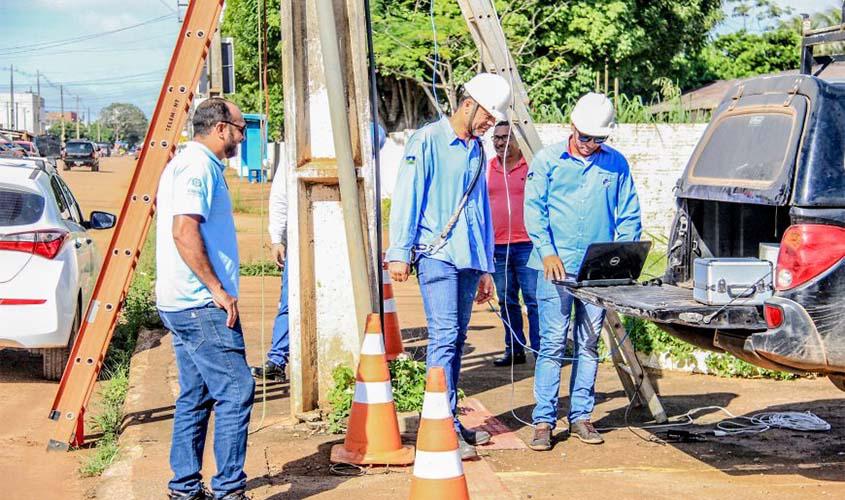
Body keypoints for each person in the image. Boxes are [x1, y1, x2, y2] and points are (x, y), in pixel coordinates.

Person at [386, 73, 511, 459]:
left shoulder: (477, 150)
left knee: (455, 340)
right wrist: (399, 251)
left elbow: (481, 211)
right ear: (469, 103)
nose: (491, 124)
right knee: (443, 337)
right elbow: (409, 195)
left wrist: (486, 266)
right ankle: (435, 425)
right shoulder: (427, 141)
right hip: (437, 255)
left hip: (469, 259)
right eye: (489, 116)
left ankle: (449, 419)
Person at [524, 92, 642, 451]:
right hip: (554, 270)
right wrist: (546, 253)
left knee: (588, 342)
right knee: (553, 344)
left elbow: (628, 215)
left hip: (596, 273)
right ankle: (544, 420)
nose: (591, 145)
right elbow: (535, 210)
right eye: (586, 137)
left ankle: (581, 416)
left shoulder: (616, 165)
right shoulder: (546, 162)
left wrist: (621, 260)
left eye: (599, 139)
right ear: (571, 127)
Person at [155, 98, 253, 500]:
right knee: (236, 389)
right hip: (200, 305)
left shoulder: (190, 163)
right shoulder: (196, 166)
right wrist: (217, 289)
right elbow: (183, 231)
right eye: (240, 129)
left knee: (196, 395)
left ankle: (184, 487)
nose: (242, 137)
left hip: (182, 303)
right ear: (220, 129)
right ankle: (229, 490)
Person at [487, 121, 539, 367]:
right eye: (496, 138)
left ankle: (541, 351)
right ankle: (514, 349)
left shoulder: (530, 167)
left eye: (506, 137)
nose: (500, 142)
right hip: (498, 247)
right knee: (507, 300)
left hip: (528, 245)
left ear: (518, 141)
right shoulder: (487, 169)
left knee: (533, 299)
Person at [251, 164, 290, 382]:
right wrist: (277, 238)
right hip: (300, 239)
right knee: (289, 302)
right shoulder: (298, 144)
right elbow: (280, 196)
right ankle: (277, 360)